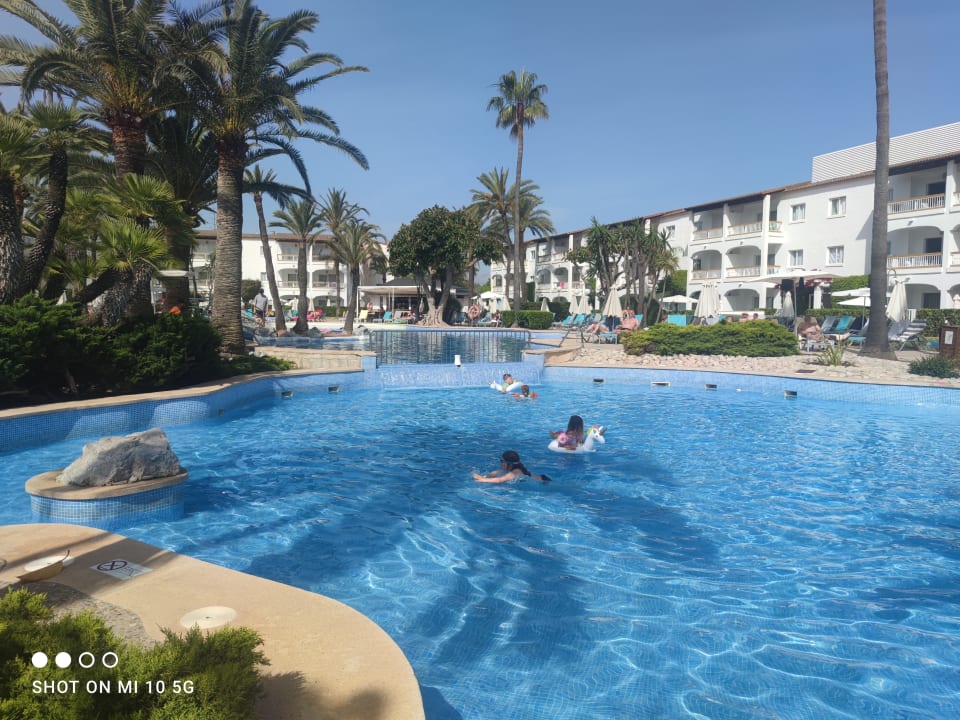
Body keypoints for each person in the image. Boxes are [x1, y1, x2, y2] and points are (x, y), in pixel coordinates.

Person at [472, 450, 550, 484]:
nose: (501, 463)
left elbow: (499, 480)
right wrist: (483, 477)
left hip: (545, 482)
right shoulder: (508, 468)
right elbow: (496, 473)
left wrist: (482, 480)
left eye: (502, 461)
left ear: (508, 463)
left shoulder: (516, 472)